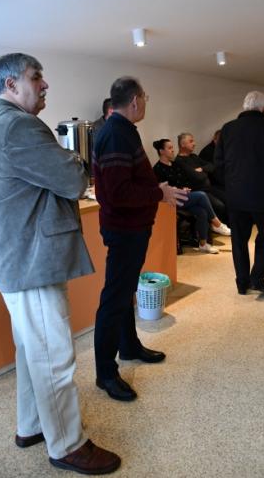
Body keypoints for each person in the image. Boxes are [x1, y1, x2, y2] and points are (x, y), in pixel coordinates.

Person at [0, 53, 121, 475]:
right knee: (54, 357)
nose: (44, 85)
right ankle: (67, 445)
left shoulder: (0, 123)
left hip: (20, 260)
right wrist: (75, 159)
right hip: (32, 261)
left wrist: (65, 159)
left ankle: (32, 426)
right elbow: (74, 181)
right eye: (35, 77)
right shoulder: (18, 126)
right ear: (10, 85)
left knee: (31, 351)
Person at [93, 76, 187, 402]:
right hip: (124, 229)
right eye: (145, 97)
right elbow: (119, 192)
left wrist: (157, 190)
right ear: (135, 100)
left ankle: (129, 346)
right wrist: (158, 193)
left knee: (124, 293)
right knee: (114, 299)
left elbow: (128, 182)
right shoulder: (115, 134)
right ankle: (105, 373)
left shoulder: (123, 130)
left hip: (131, 227)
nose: (146, 102)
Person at [215, 91, 264, 295]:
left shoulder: (227, 128)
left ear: (244, 106)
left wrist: (230, 185)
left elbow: (219, 163)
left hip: (236, 195)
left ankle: (242, 282)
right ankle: (257, 278)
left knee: (238, 240)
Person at [153, 138, 231, 254]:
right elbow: (162, 189)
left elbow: (184, 180)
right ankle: (217, 224)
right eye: (169, 148)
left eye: (172, 147)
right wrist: (179, 189)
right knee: (201, 195)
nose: (173, 150)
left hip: (183, 196)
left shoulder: (175, 164)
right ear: (161, 151)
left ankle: (203, 244)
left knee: (202, 211)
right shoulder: (157, 169)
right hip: (172, 200)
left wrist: (184, 188)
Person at [175, 132, 229, 224]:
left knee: (228, 199)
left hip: (209, 188)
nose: (194, 143)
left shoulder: (193, 156)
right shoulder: (179, 161)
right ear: (182, 144)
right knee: (220, 206)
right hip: (198, 191)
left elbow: (212, 166)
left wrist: (202, 169)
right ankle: (217, 226)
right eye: (191, 141)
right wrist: (205, 173)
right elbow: (198, 177)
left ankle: (230, 226)